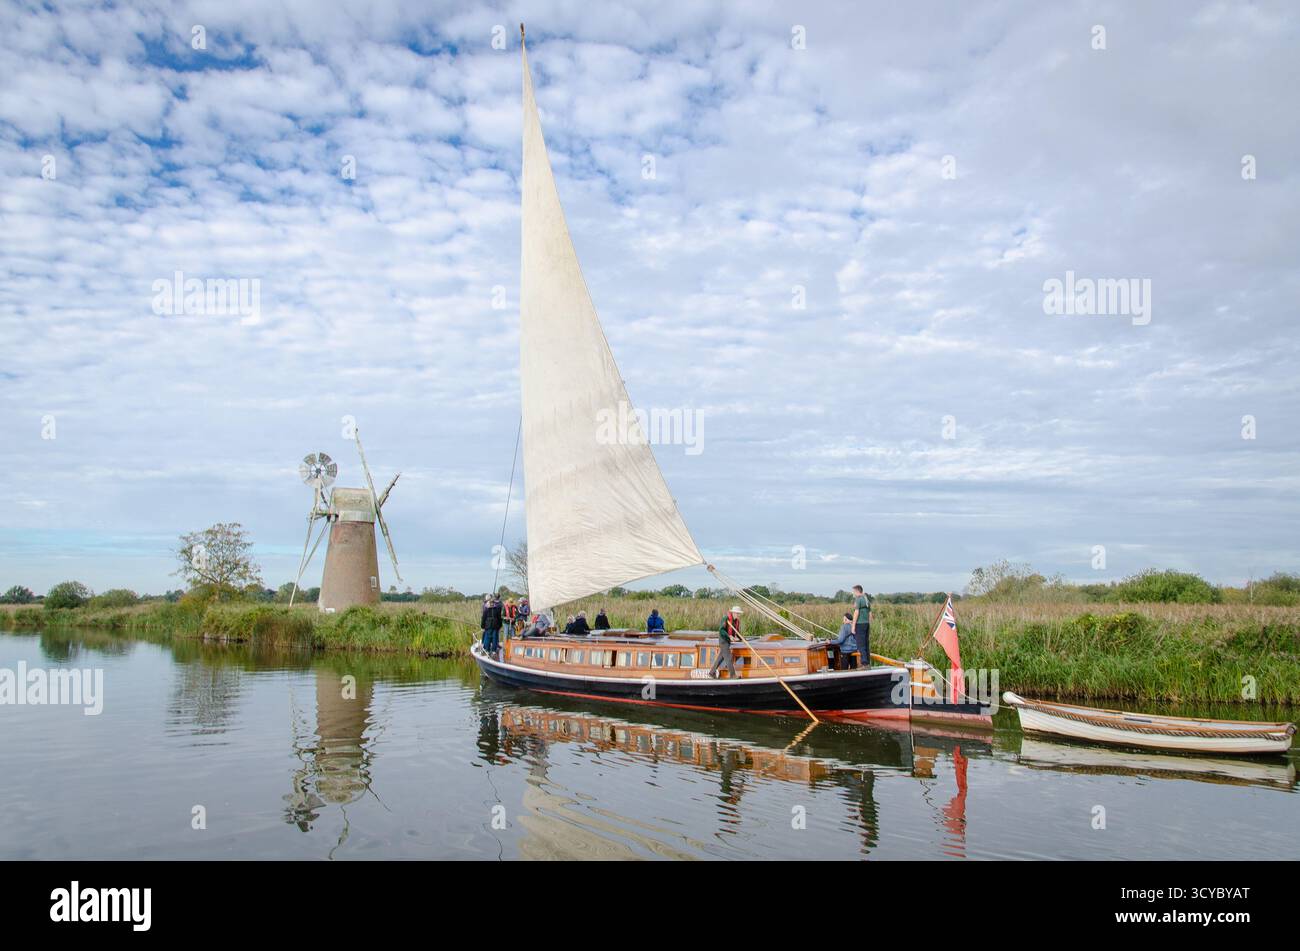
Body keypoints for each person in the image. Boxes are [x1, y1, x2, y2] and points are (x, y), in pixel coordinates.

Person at [710, 606, 742, 679]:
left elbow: (737, 632)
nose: (738, 615)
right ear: (733, 612)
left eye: (739, 614)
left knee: (721, 657)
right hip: (723, 640)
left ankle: (712, 672)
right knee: (729, 657)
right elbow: (721, 630)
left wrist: (740, 638)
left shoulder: (736, 621)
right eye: (737, 613)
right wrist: (729, 636)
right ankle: (733, 675)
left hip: (728, 641)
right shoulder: (725, 618)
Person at [851, 584, 873, 666]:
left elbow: (856, 612)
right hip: (866, 624)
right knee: (866, 644)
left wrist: (853, 626)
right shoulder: (866, 599)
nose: (853, 593)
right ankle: (868, 663)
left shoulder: (858, 599)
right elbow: (870, 614)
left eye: (853, 592)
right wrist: (868, 623)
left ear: (857, 591)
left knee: (861, 645)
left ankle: (864, 664)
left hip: (860, 624)